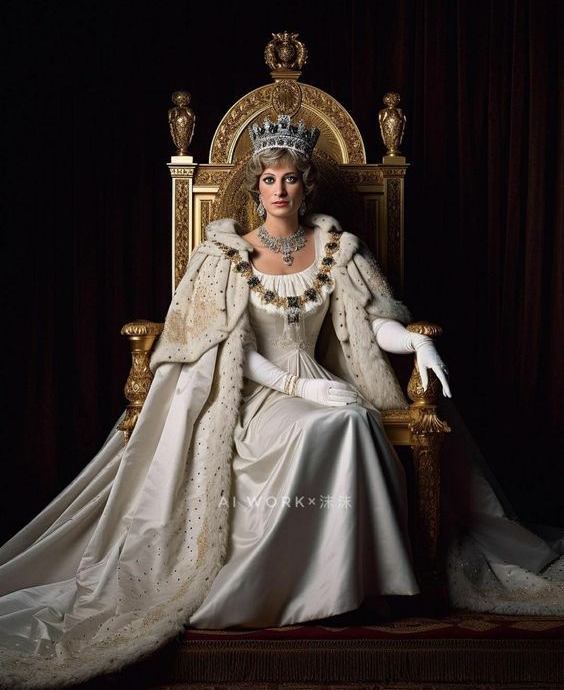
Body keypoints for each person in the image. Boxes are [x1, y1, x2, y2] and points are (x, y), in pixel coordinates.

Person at [0, 114, 561, 689]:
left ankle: (352, 586)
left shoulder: (336, 250)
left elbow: (374, 323)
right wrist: (299, 388)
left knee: (355, 420)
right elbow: (223, 348)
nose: (279, 190)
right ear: (255, 186)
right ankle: (298, 587)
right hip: (255, 395)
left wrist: (416, 343)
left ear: (305, 184)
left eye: (290, 179)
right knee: (331, 426)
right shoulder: (225, 256)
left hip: (324, 378)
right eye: (269, 180)